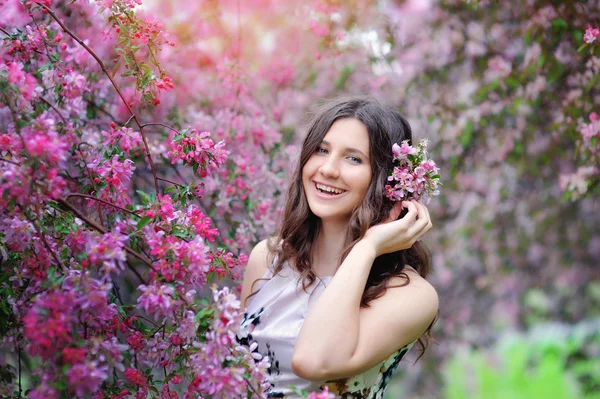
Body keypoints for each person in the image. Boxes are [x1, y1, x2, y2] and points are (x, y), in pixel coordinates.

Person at [238, 95, 439, 398]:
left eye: (353, 158)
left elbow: (313, 360)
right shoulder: (268, 259)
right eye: (321, 150)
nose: (328, 169)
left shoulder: (411, 294)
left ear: (388, 182)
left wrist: (367, 248)